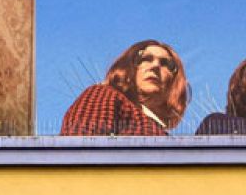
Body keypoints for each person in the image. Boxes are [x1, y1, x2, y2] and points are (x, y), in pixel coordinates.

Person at [60, 40, 189, 136]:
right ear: (128, 67)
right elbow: (79, 150)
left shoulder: (163, 133)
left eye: (166, 63)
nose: (155, 66)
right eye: (145, 58)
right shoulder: (105, 95)